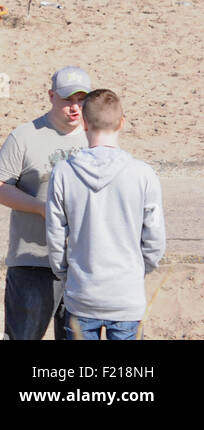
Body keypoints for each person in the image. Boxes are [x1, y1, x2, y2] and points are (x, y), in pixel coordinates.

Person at [45, 89, 166, 341]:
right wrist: (138, 270)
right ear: (122, 122)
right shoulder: (143, 174)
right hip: (126, 297)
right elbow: (154, 238)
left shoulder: (64, 172)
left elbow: (56, 235)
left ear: (84, 122)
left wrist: (66, 274)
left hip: (82, 294)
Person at [0, 66, 91, 340]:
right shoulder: (25, 136)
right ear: (51, 96)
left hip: (83, 265)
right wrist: (41, 209)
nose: (75, 107)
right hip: (33, 264)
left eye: (81, 100)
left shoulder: (97, 137)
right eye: (68, 99)